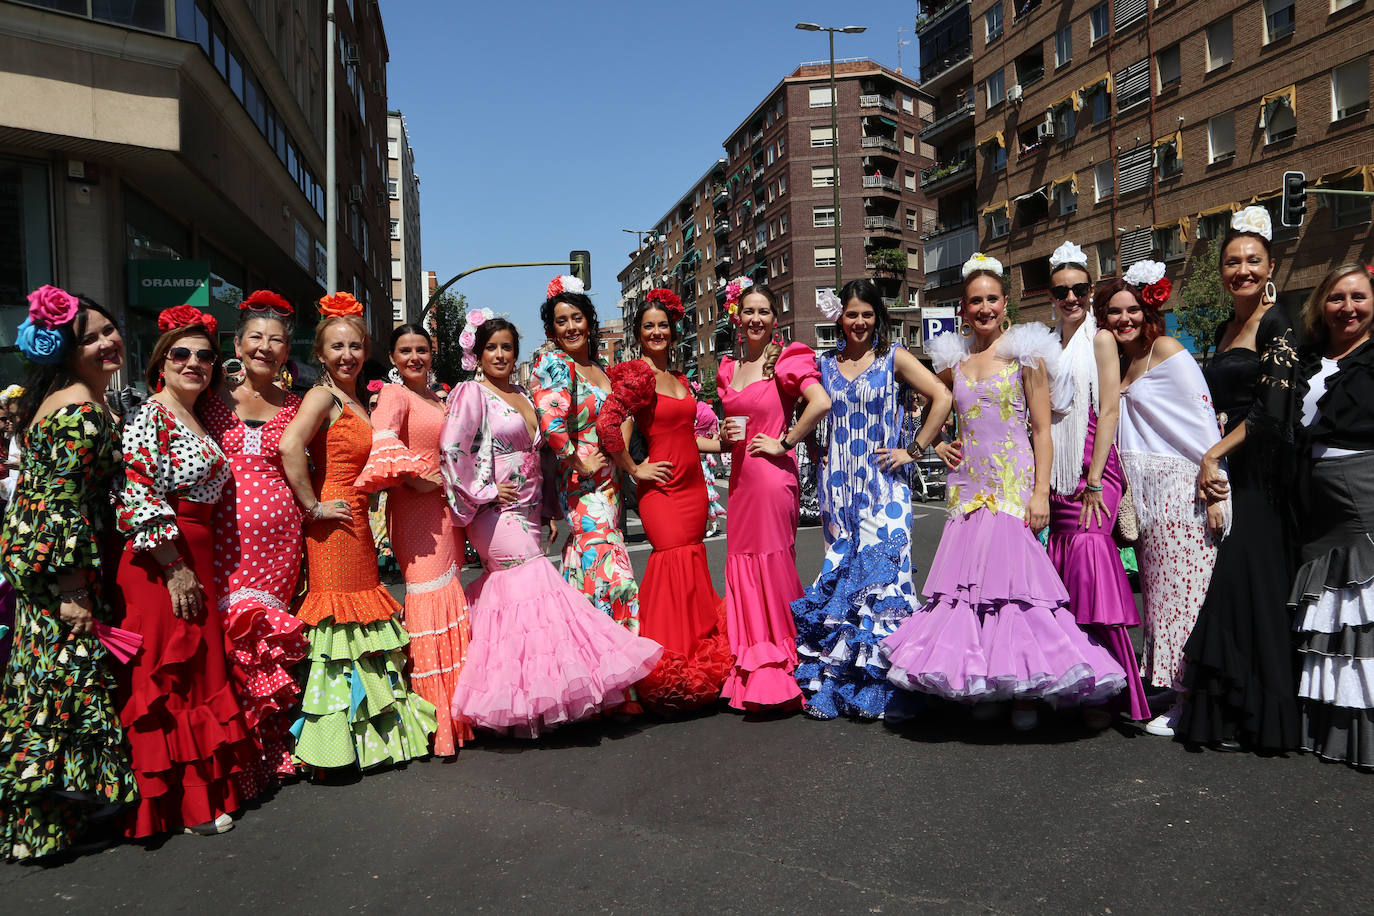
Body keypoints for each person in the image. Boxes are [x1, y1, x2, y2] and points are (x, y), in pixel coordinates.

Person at [882, 255, 1126, 731]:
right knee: (970, 593)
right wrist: (939, 444)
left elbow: (1042, 430)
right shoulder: (954, 361)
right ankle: (987, 684)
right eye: (976, 301)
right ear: (963, 307)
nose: (985, 308)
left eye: (992, 299)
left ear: (1005, 302)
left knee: (1016, 594)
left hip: (1012, 486)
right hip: (968, 488)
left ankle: (1024, 692)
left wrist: (1041, 493)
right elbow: (940, 407)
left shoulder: (1025, 355)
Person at [441, 315, 662, 737]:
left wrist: (546, 511)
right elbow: (452, 448)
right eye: (492, 348)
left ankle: (526, 701)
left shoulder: (523, 394)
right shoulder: (472, 392)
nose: (500, 355)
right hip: (494, 513)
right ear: (478, 354)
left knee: (522, 604)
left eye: (507, 347)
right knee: (536, 588)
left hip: (528, 512)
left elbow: (541, 455)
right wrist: (484, 491)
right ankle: (536, 697)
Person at [0, 289, 137, 860]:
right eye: (90, 338)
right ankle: (48, 821)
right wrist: (73, 589)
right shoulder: (79, 408)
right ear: (65, 350)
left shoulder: (73, 396)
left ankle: (53, 822)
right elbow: (58, 504)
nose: (107, 342)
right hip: (58, 573)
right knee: (61, 691)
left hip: (49, 567)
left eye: (109, 329)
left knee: (48, 686)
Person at [113, 305, 257, 838]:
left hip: (195, 554)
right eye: (181, 353)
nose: (193, 362)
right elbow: (136, 494)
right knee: (167, 673)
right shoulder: (150, 415)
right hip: (161, 560)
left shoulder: (198, 415)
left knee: (198, 672)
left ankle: (202, 797)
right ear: (160, 362)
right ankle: (177, 807)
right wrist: (174, 568)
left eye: (204, 355)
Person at [279, 293, 435, 772]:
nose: (346, 354)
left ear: (365, 351)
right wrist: (313, 507)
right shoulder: (322, 395)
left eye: (354, 346)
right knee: (341, 624)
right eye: (336, 346)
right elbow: (289, 447)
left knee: (359, 624)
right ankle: (334, 746)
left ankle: (363, 740)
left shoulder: (353, 398)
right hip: (336, 523)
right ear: (320, 353)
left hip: (358, 522)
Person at [791, 280, 951, 720]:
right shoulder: (823, 364)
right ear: (839, 318)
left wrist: (913, 449)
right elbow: (801, 405)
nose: (859, 322)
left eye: (866, 314)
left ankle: (889, 685)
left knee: (887, 581)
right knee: (844, 580)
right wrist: (811, 448)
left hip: (885, 487)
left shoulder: (893, 357)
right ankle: (846, 684)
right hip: (837, 489)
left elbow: (941, 396)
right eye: (851, 314)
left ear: (877, 316)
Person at [1178, 207, 1300, 753]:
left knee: (1249, 587)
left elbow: (1272, 411)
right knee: (1232, 588)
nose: (1242, 270)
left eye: (1253, 261)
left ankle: (1260, 718)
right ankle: (1230, 713)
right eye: (1232, 261)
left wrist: (1213, 455)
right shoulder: (1223, 328)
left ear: (1270, 266)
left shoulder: (1278, 322)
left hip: (1261, 478)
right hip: (1229, 470)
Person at [1100, 271, 1229, 738]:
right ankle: (1174, 687)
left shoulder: (1168, 350)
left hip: (1182, 492)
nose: (1125, 318)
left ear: (1148, 310)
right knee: (1160, 600)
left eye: (1132, 309)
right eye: (1114, 311)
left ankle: (1189, 700)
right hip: (1147, 497)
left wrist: (1216, 491)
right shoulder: (1120, 360)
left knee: (1185, 599)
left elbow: (1203, 425)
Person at [597, 289, 733, 716]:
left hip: (693, 488)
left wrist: (720, 444)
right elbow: (608, 426)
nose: (657, 332)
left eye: (662, 325)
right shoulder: (638, 377)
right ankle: (672, 670)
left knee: (692, 565)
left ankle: (698, 665)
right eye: (648, 326)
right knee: (672, 564)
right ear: (638, 334)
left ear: (673, 331)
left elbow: (684, 435)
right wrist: (635, 469)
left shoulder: (678, 377)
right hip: (663, 490)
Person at [199, 290, 308, 798]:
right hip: (222, 541)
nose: (265, 347)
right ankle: (233, 760)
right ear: (238, 345)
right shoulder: (206, 399)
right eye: (256, 338)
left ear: (287, 351)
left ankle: (268, 757)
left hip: (280, 544)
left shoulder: (298, 406)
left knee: (265, 647)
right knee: (228, 646)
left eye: (276, 340)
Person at [1044, 243, 1150, 726]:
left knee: (1090, 567)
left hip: (1094, 472)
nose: (1071, 298)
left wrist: (1092, 480)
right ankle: (1078, 688)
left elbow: (1109, 410)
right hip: (1058, 475)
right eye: (1061, 290)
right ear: (1051, 296)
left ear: (1090, 291)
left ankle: (1114, 692)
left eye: (1079, 289)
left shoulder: (1101, 338)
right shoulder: (1046, 342)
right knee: (1068, 578)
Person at [357, 323, 473, 757]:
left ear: (432, 352)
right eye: (404, 350)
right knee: (428, 601)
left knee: (450, 596)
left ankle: (460, 712)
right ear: (392, 357)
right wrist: (415, 479)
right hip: (416, 513)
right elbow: (382, 443)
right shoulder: (394, 394)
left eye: (421, 349)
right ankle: (435, 721)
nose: (414, 358)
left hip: (446, 511)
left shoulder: (438, 398)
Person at [715, 280, 832, 713]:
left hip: (771, 479)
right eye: (749, 311)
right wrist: (726, 436)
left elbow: (820, 403)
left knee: (772, 563)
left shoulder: (785, 359)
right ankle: (751, 664)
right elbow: (728, 431)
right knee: (743, 565)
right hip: (741, 481)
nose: (756, 318)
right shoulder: (728, 369)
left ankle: (785, 663)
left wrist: (785, 441)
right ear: (738, 317)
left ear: (774, 319)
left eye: (764, 311)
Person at [1289, 265, 1374, 768]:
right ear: (1321, 304)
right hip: (1316, 499)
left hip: (1363, 493)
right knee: (1333, 610)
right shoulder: (1308, 357)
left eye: (1358, 297)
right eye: (1337, 298)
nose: (1348, 307)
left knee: (1364, 610)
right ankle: (1335, 734)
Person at [529, 277, 641, 634]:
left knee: (590, 559)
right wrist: (579, 461)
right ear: (552, 330)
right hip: (582, 481)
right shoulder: (555, 362)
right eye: (561, 321)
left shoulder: (600, 367)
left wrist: (620, 455)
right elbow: (550, 422)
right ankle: (615, 639)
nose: (571, 327)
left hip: (610, 483)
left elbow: (621, 415)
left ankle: (584, 642)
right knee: (612, 570)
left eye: (576, 318)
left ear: (589, 322)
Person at [695, 399, 727, 539]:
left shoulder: (705, 412)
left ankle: (712, 522)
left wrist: (708, 442)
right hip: (689, 460)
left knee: (706, 496)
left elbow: (714, 436)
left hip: (702, 463)